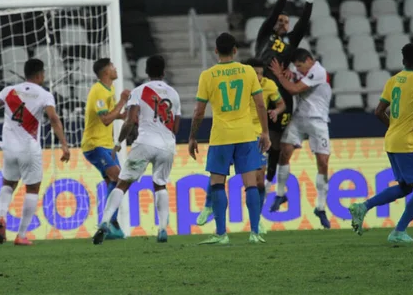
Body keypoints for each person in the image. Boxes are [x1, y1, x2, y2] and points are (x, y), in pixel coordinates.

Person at [188, 33, 271, 245]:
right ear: (235, 50)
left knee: (217, 184)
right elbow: (261, 105)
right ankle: (254, 233)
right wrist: (265, 132)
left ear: (216, 51)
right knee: (251, 184)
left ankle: (222, 234)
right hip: (245, 134)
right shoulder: (248, 71)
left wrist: (192, 137)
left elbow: (198, 112)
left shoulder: (207, 75)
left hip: (221, 136)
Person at [0, 59, 70, 246]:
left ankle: (2, 216)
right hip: (28, 148)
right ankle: (21, 235)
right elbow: (53, 118)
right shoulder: (44, 95)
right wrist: (64, 144)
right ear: (39, 75)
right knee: (32, 189)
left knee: (8, 183)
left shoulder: (9, 91)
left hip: (9, 148)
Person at [92, 55, 181, 245]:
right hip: (167, 144)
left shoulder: (139, 91)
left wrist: (118, 143)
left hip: (145, 143)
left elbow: (131, 121)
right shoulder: (174, 93)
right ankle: (163, 229)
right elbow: (176, 126)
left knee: (122, 184)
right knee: (160, 185)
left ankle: (105, 221)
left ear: (146, 72)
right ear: (164, 72)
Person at [196, 58, 285, 234]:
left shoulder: (269, 86)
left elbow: (281, 103)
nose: (258, 76)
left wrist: (275, 111)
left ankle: (256, 221)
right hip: (238, 133)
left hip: (256, 134)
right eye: (256, 72)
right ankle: (208, 205)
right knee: (218, 173)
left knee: (259, 180)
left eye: (261, 73)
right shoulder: (242, 79)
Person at [349, 43, 413, 243]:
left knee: (406, 187)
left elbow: (378, 111)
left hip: (391, 139)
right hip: (407, 143)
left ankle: (362, 207)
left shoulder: (393, 80)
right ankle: (398, 232)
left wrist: (394, 127)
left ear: (403, 60)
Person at [255, 0, 316, 189]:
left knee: (277, 141)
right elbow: (275, 10)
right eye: (279, 20)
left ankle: (270, 179)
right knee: (261, 137)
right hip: (260, 90)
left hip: (281, 94)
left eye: (286, 21)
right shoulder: (264, 35)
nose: (282, 23)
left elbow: (305, 19)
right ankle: (257, 175)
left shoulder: (292, 41)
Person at [268, 49, 332, 229]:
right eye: (296, 66)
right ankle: (280, 194)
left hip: (318, 120)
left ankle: (320, 207)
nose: (299, 69)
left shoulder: (318, 71)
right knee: (284, 153)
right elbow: (291, 74)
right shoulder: (298, 70)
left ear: (310, 61)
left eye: (300, 66)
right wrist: (288, 72)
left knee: (323, 163)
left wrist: (281, 76)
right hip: (298, 119)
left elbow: (294, 89)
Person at [81, 58, 130, 239]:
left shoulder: (110, 89)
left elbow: (111, 115)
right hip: (94, 144)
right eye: (113, 66)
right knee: (119, 178)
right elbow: (105, 119)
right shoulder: (98, 91)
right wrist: (122, 102)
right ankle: (109, 222)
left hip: (106, 146)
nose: (116, 68)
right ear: (106, 72)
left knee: (115, 182)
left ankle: (110, 225)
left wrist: (122, 115)